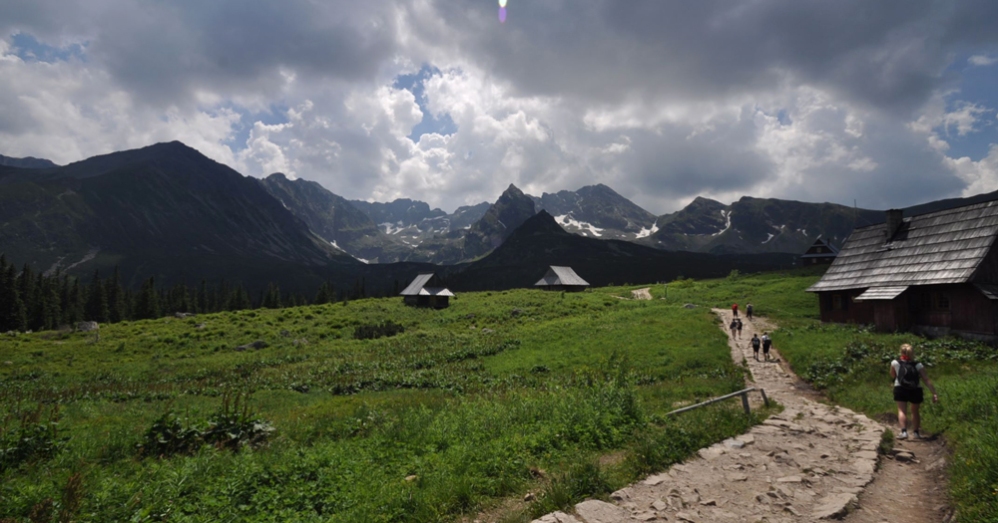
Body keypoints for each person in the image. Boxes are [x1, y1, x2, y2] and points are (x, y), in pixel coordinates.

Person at [890, 344, 938, 439]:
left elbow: (892, 375)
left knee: (902, 410)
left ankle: (904, 432)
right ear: (912, 353)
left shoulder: (895, 362)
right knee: (915, 411)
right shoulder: (918, 365)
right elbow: (926, 379)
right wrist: (934, 393)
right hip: (916, 389)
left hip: (900, 388)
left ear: (901, 352)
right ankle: (916, 433)